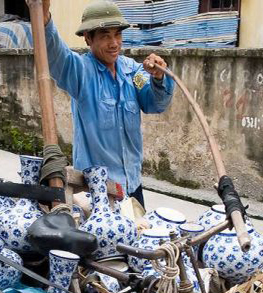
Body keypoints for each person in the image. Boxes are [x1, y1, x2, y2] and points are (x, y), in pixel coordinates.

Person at [42, 0, 175, 209]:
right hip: (97, 192)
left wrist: (158, 78)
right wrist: (44, 20)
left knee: (139, 238)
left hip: (133, 186)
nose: (114, 43)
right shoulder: (81, 72)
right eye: (105, 36)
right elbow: (57, 57)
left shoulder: (132, 71)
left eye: (117, 35)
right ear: (88, 38)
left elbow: (155, 104)